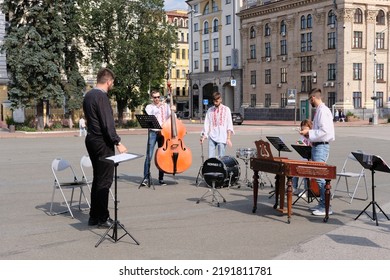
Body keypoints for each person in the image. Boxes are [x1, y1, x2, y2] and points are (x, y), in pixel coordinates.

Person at [83, 68, 128, 227]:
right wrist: (117, 142)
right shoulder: (101, 97)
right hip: (102, 142)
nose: (112, 85)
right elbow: (107, 123)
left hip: (91, 140)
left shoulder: (88, 95)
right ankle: (103, 217)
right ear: (108, 81)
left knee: (98, 178)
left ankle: (93, 216)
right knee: (105, 181)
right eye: (112, 82)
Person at [300, 88, 335, 216]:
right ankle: (322, 203)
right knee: (317, 175)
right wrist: (309, 135)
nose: (310, 102)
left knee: (320, 177)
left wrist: (308, 132)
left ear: (313, 98)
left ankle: (326, 206)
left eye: (310, 100)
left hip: (321, 146)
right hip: (317, 145)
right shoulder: (320, 110)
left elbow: (325, 132)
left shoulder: (323, 111)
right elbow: (319, 132)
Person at [141, 90, 172, 186]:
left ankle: (161, 178)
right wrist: (159, 106)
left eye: (158, 97)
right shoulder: (149, 107)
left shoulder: (166, 106)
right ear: (152, 98)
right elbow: (151, 115)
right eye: (155, 97)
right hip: (153, 132)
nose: (157, 99)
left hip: (163, 133)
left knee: (162, 156)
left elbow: (171, 116)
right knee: (149, 155)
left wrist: (173, 109)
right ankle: (146, 178)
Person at [200, 92, 234, 158]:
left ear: (220, 100)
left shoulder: (226, 109)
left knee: (221, 158)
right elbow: (207, 123)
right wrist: (204, 135)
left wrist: (228, 138)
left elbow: (229, 124)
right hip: (212, 136)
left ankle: (220, 168)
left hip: (222, 137)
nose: (215, 103)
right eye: (214, 101)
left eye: (216, 101)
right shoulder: (210, 110)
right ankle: (211, 168)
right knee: (210, 158)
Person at [293, 119, 312, 197]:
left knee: (305, 171)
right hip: (303, 158)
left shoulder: (313, 137)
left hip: (310, 159)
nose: (303, 131)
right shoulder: (302, 136)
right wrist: (299, 144)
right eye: (302, 129)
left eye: (305, 129)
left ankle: (306, 190)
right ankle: (295, 187)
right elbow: (300, 142)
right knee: (293, 168)